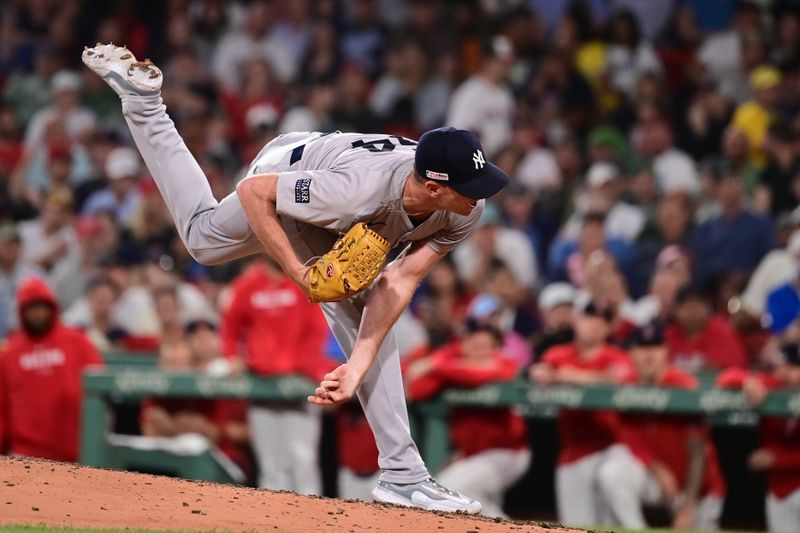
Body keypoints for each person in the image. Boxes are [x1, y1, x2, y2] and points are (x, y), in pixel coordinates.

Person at [82, 43, 510, 513]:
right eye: (468, 187)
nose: (479, 194)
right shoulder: (355, 194)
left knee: (203, 240)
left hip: (336, 172)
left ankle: (143, 103)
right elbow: (253, 192)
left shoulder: (465, 211)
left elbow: (400, 281)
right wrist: (300, 272)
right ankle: (405, 476)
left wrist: (357, 363)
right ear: (434, 187)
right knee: (343, 294)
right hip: (289, 172)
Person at [221, 255, 332, 494]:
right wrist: (232, 357)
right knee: (271, 466)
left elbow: (317, 330)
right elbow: (230, 327)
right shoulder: (248, 285)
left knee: (303, 462)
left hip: (299, 386)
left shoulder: (304, 282)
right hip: (262, 385)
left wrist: (305, 365)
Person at [597, 323, 726, 530]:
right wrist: (657, 468)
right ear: (631, 353)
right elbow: (627, 437)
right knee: (612, 471)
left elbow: (698, 452)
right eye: (643, 347)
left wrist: (687, 507)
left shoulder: (684, 386)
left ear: (665, 351)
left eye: (655, 347)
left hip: (697, 489)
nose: (649, 355)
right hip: (658, 479)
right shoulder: (627, 387)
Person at [404, 322, 531, 518]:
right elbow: (416, 390)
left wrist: (437, 364)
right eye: (473, 346)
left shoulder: (505, 363)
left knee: (447, 489)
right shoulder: (451, 368)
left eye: (484, 347)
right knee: (474, 501)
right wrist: (445, 365)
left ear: (495, 349)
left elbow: (485, 373)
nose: (478, 352)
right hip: (472, 455)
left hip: (507, 452)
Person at [529, 301, 632, 527]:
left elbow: (621, 378)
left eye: (601, 320)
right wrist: (542, 373)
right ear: (577, 321)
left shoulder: (615, 356)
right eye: (589, 318)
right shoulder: (559, 354)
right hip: (573, 451)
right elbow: (539, 370)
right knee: (574, 526)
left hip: (610, 448)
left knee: (610, 522)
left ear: (608, 328)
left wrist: (577, 376)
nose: (594, 324)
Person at [0, 277, 104, 461]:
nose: (38, 314)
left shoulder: (78, 342)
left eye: (41, 307)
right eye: (31, 308)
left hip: (72, 454)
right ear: (22, 312)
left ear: (51, 307)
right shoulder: (9, 354)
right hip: (25, 455)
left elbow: (100, 388)